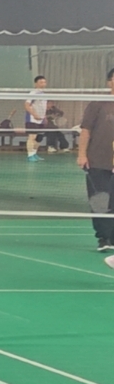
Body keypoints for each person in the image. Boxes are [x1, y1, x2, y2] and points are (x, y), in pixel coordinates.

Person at [78, 67, 114, 256]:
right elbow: (85, 131)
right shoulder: (97, 103)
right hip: (98, 160)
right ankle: (103, 238)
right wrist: (82, 154)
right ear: (109, 82)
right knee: (100, 201)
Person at [25, 76, 51, 161]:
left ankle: (34, 153)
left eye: (44, 82)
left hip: (41, 119)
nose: (43, 84)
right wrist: (34, 114)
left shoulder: (44, 94)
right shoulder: (33, 93)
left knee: (39, 138)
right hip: (32, 119)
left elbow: (43, 107)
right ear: (36, 83)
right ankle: (30, 155)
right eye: (41, 82)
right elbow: (27, 105)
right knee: (32, 136)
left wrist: (44, 117)